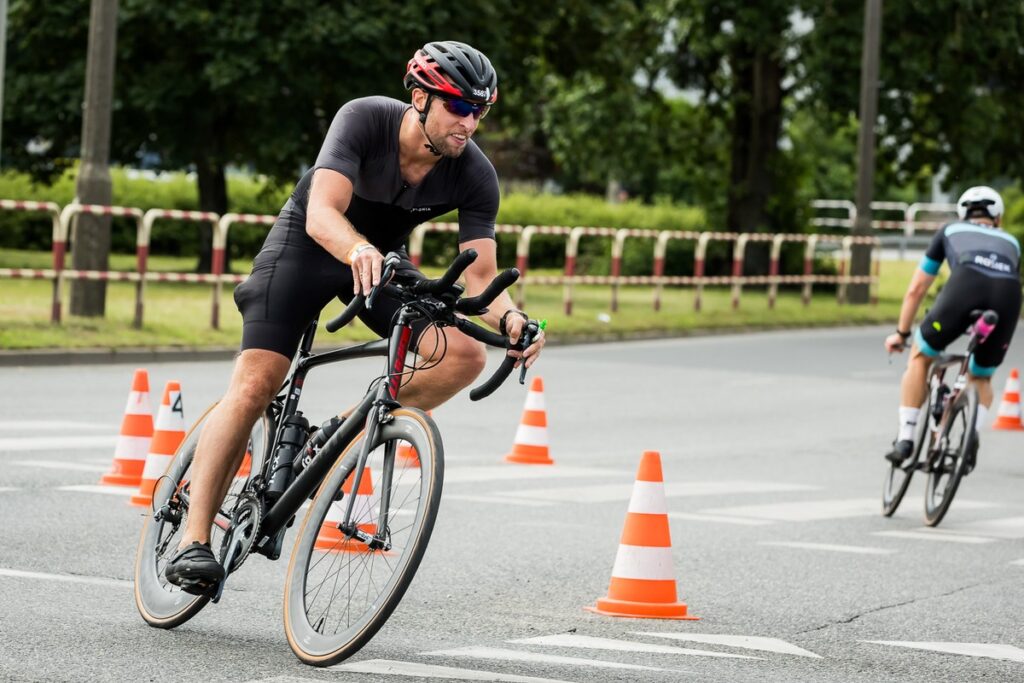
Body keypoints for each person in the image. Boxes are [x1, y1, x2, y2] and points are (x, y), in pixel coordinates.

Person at [164, 40, 546, 590]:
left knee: (463, 353)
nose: (471, 123)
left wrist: (512, 319)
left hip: (379, 262)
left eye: (481, 111)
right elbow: (322, 211)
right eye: (460, 107)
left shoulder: (473, 173)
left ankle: (336, 439)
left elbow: (483, 275)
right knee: (256, 384)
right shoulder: (365, 119)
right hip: (308, 247)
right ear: (420, 97)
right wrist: (355, 249)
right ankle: (192, 541)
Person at [883, 185, 1021, 468]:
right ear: (998, 218)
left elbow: (917, 288)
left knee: (921, 356)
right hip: (1008, 296)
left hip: (964, 287)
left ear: (962, 214)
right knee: (982, 376)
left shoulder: (949, 231)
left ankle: (906, 438)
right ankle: (971, 436)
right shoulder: (1012, 242)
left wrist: (902, 333)